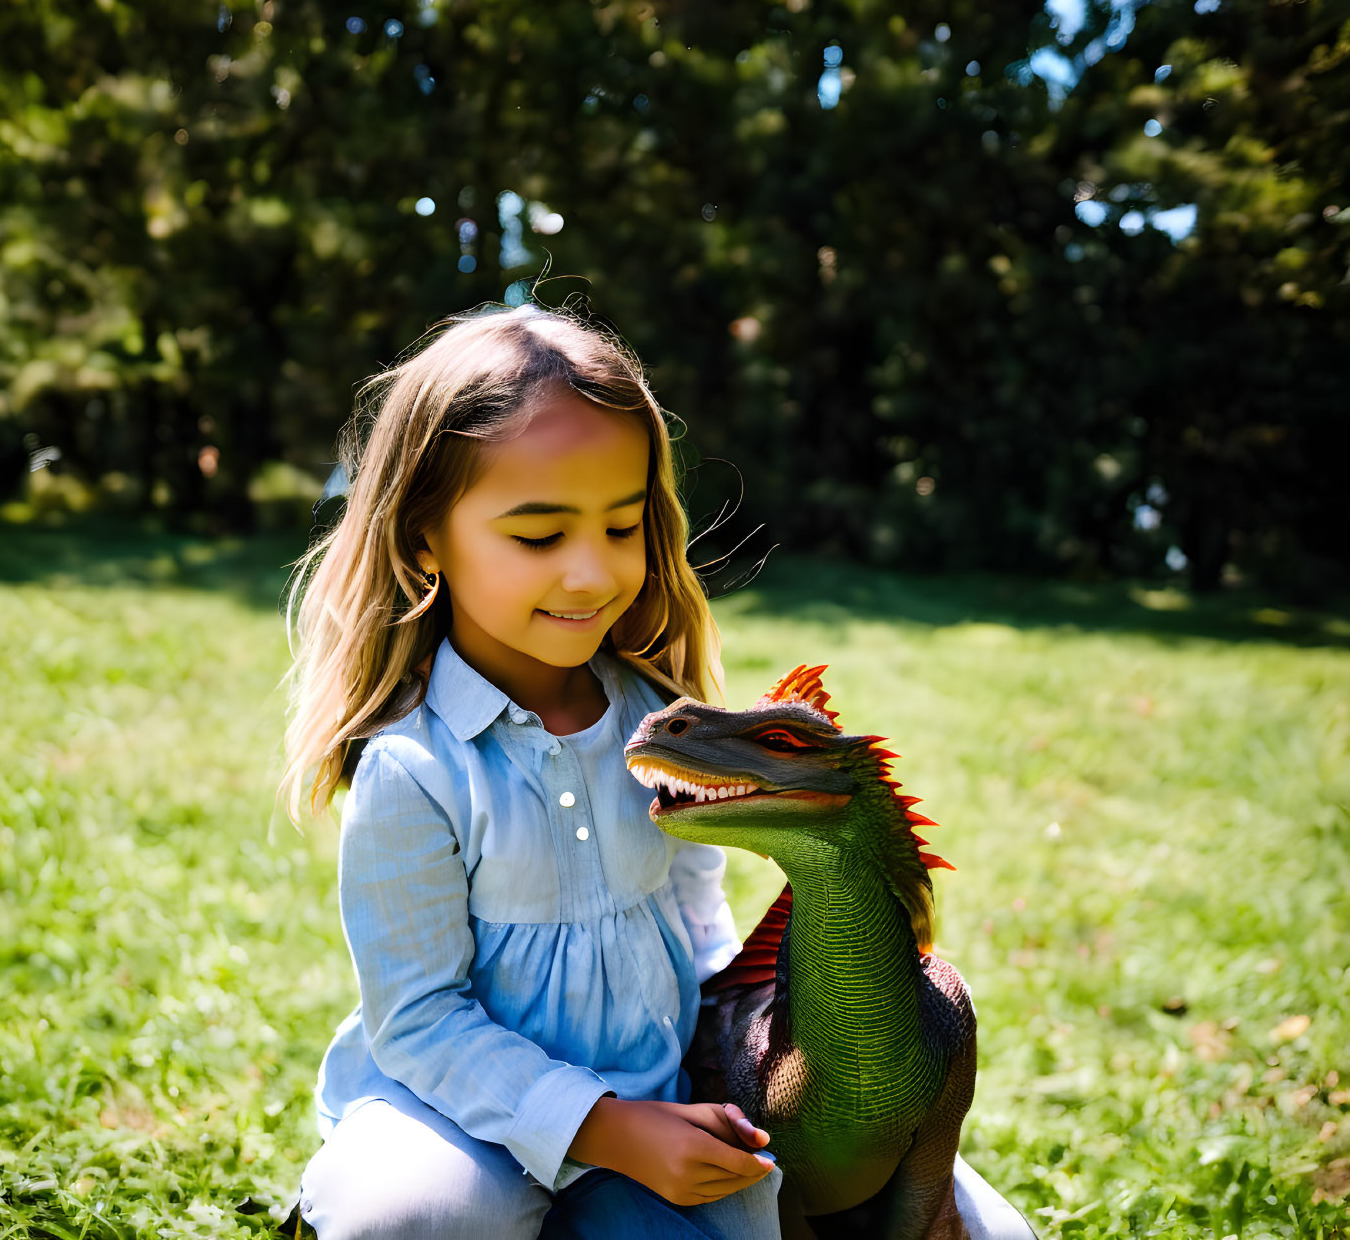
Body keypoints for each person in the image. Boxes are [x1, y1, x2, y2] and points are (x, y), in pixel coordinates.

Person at [275, 302, 1036, 1239]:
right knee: (410, 1218)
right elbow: (422, 1020)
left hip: (662, 1096)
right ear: (424, 536)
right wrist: (604, 1131)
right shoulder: (414, 765)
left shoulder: (659, 723)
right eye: (539, 535)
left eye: (622, 527)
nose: (592, 574)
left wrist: (753, 1065)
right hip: (461, 1116)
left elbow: (696, 925)